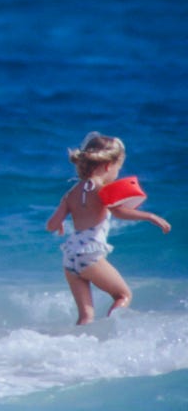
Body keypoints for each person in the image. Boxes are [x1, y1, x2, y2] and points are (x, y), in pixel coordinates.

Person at [46, 132, 171, 325]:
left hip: (70, 257)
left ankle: (80, 348)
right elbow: (119, 212)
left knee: (86, 316)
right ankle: (109, 336)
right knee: (123, 295)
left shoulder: (70, 193)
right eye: (118, 169)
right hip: (90, 255)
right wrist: (149, 216)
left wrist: (61, 223)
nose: (117, 174)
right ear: (107, 165)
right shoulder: (102, 190)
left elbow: (51, 226)